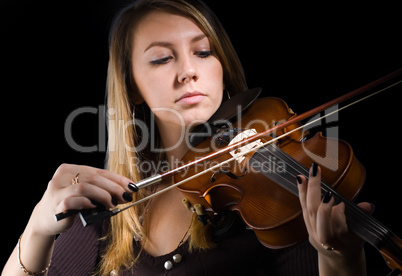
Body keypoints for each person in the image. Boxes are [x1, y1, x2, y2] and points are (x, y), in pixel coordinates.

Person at [2, 0, 373, 275]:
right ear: (132, 87)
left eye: (203, 52)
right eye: (163, 59)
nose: (189, 71)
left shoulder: (271, 197)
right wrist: (37, 226)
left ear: (221, 66)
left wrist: (340, 259)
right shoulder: (114, 208)